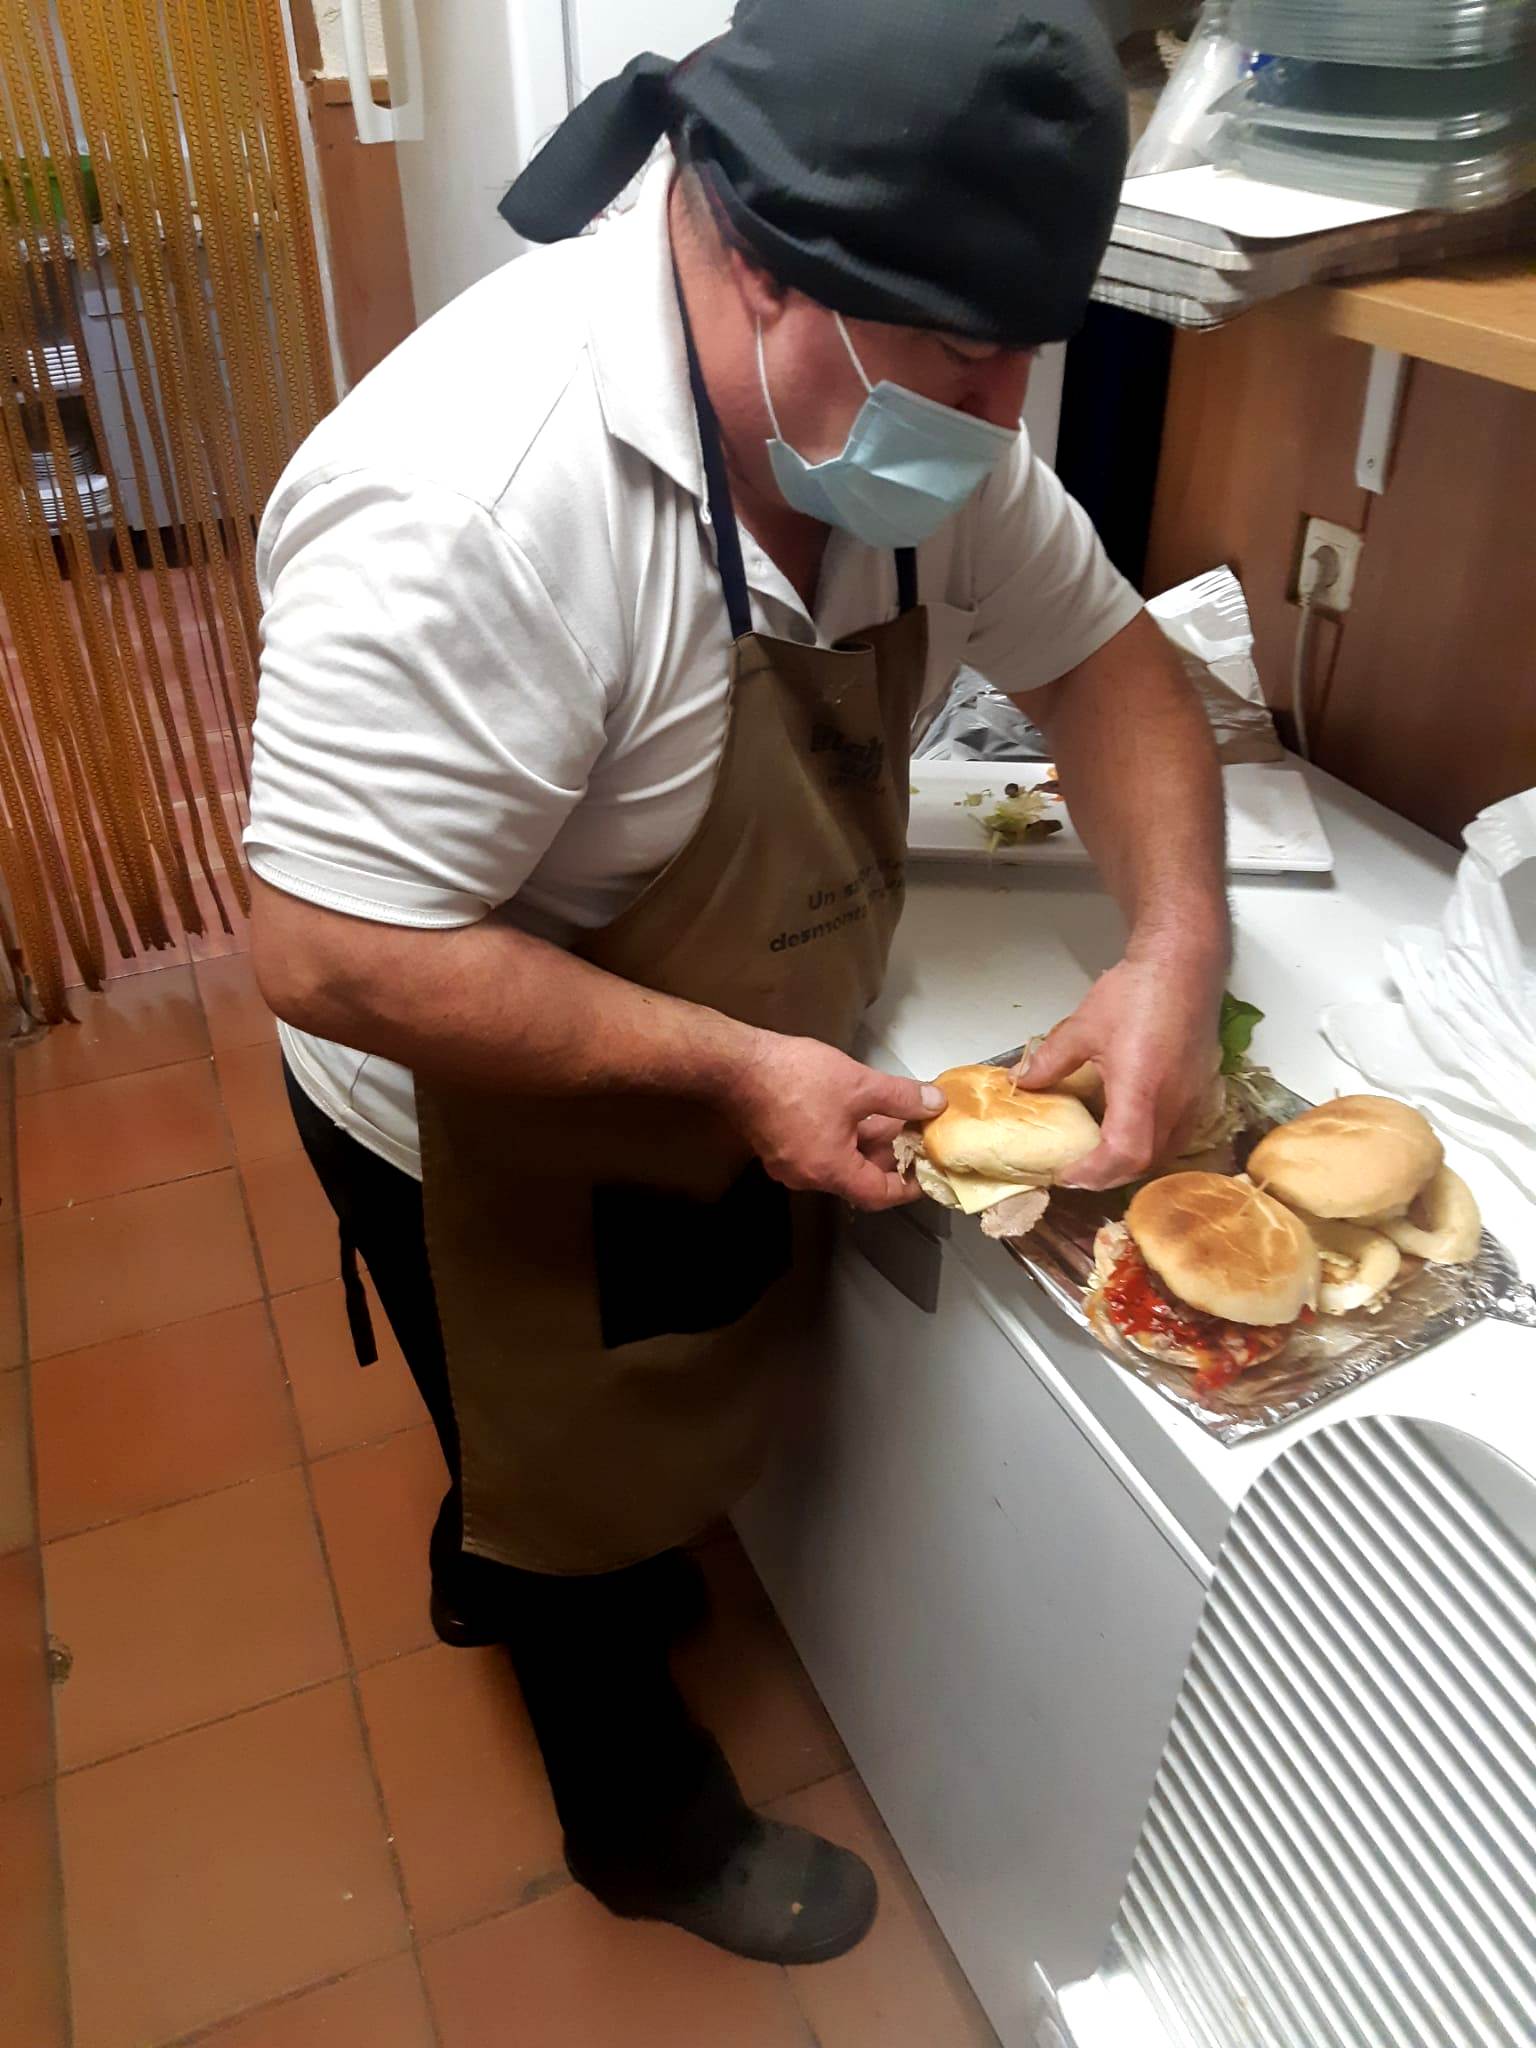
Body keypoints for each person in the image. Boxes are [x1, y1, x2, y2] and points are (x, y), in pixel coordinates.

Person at [247, 0, 1228, 1967]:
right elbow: (330, 945)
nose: (1005, 420)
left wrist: (1171, 947)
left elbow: (1113, 663)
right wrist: (733, 1067)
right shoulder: (476, 502)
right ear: (766, 259)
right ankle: (640, 1811)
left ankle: (500, 1538)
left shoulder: (896, 435)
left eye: (1031, 359)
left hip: (699, 1029)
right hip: (439, 1075)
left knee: (623, 1390)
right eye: (970, 361)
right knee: (559, 1467)